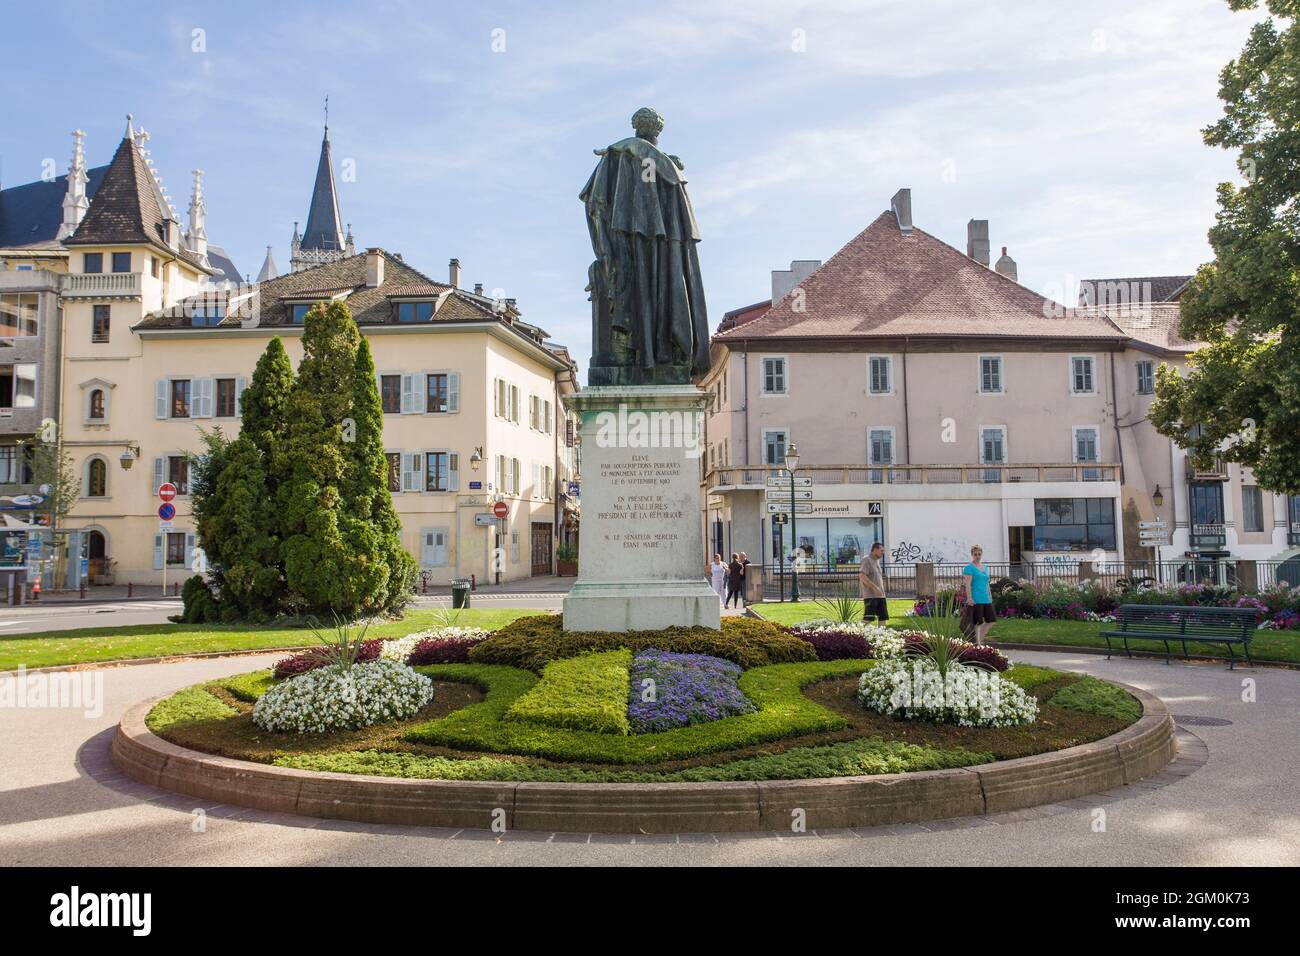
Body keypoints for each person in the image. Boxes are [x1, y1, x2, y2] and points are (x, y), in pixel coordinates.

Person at [962, 544, 995, 645]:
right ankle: (978, 643)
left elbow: (987, 582)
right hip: (976, 598)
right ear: (972, 555)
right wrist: (970, 598)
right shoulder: (969, 568)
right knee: (978, 622)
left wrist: (990, 595)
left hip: (986, 598)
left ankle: (978, 640)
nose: (977, 556)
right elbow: (967, 585)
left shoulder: (985, 568)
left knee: (991, 621)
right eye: (975, 554)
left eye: (979, 554)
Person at [859, 541, 888, 623]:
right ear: (875, 549)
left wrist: (880, 591)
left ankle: (881, 635)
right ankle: (854, 633)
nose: (883, 553)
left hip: (881, 595)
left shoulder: (877, 561)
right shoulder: (866, 560)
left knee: (883, 618)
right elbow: (862, 576)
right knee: (868, 619)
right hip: (871, 596)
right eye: (881, 551)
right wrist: (875, 588)